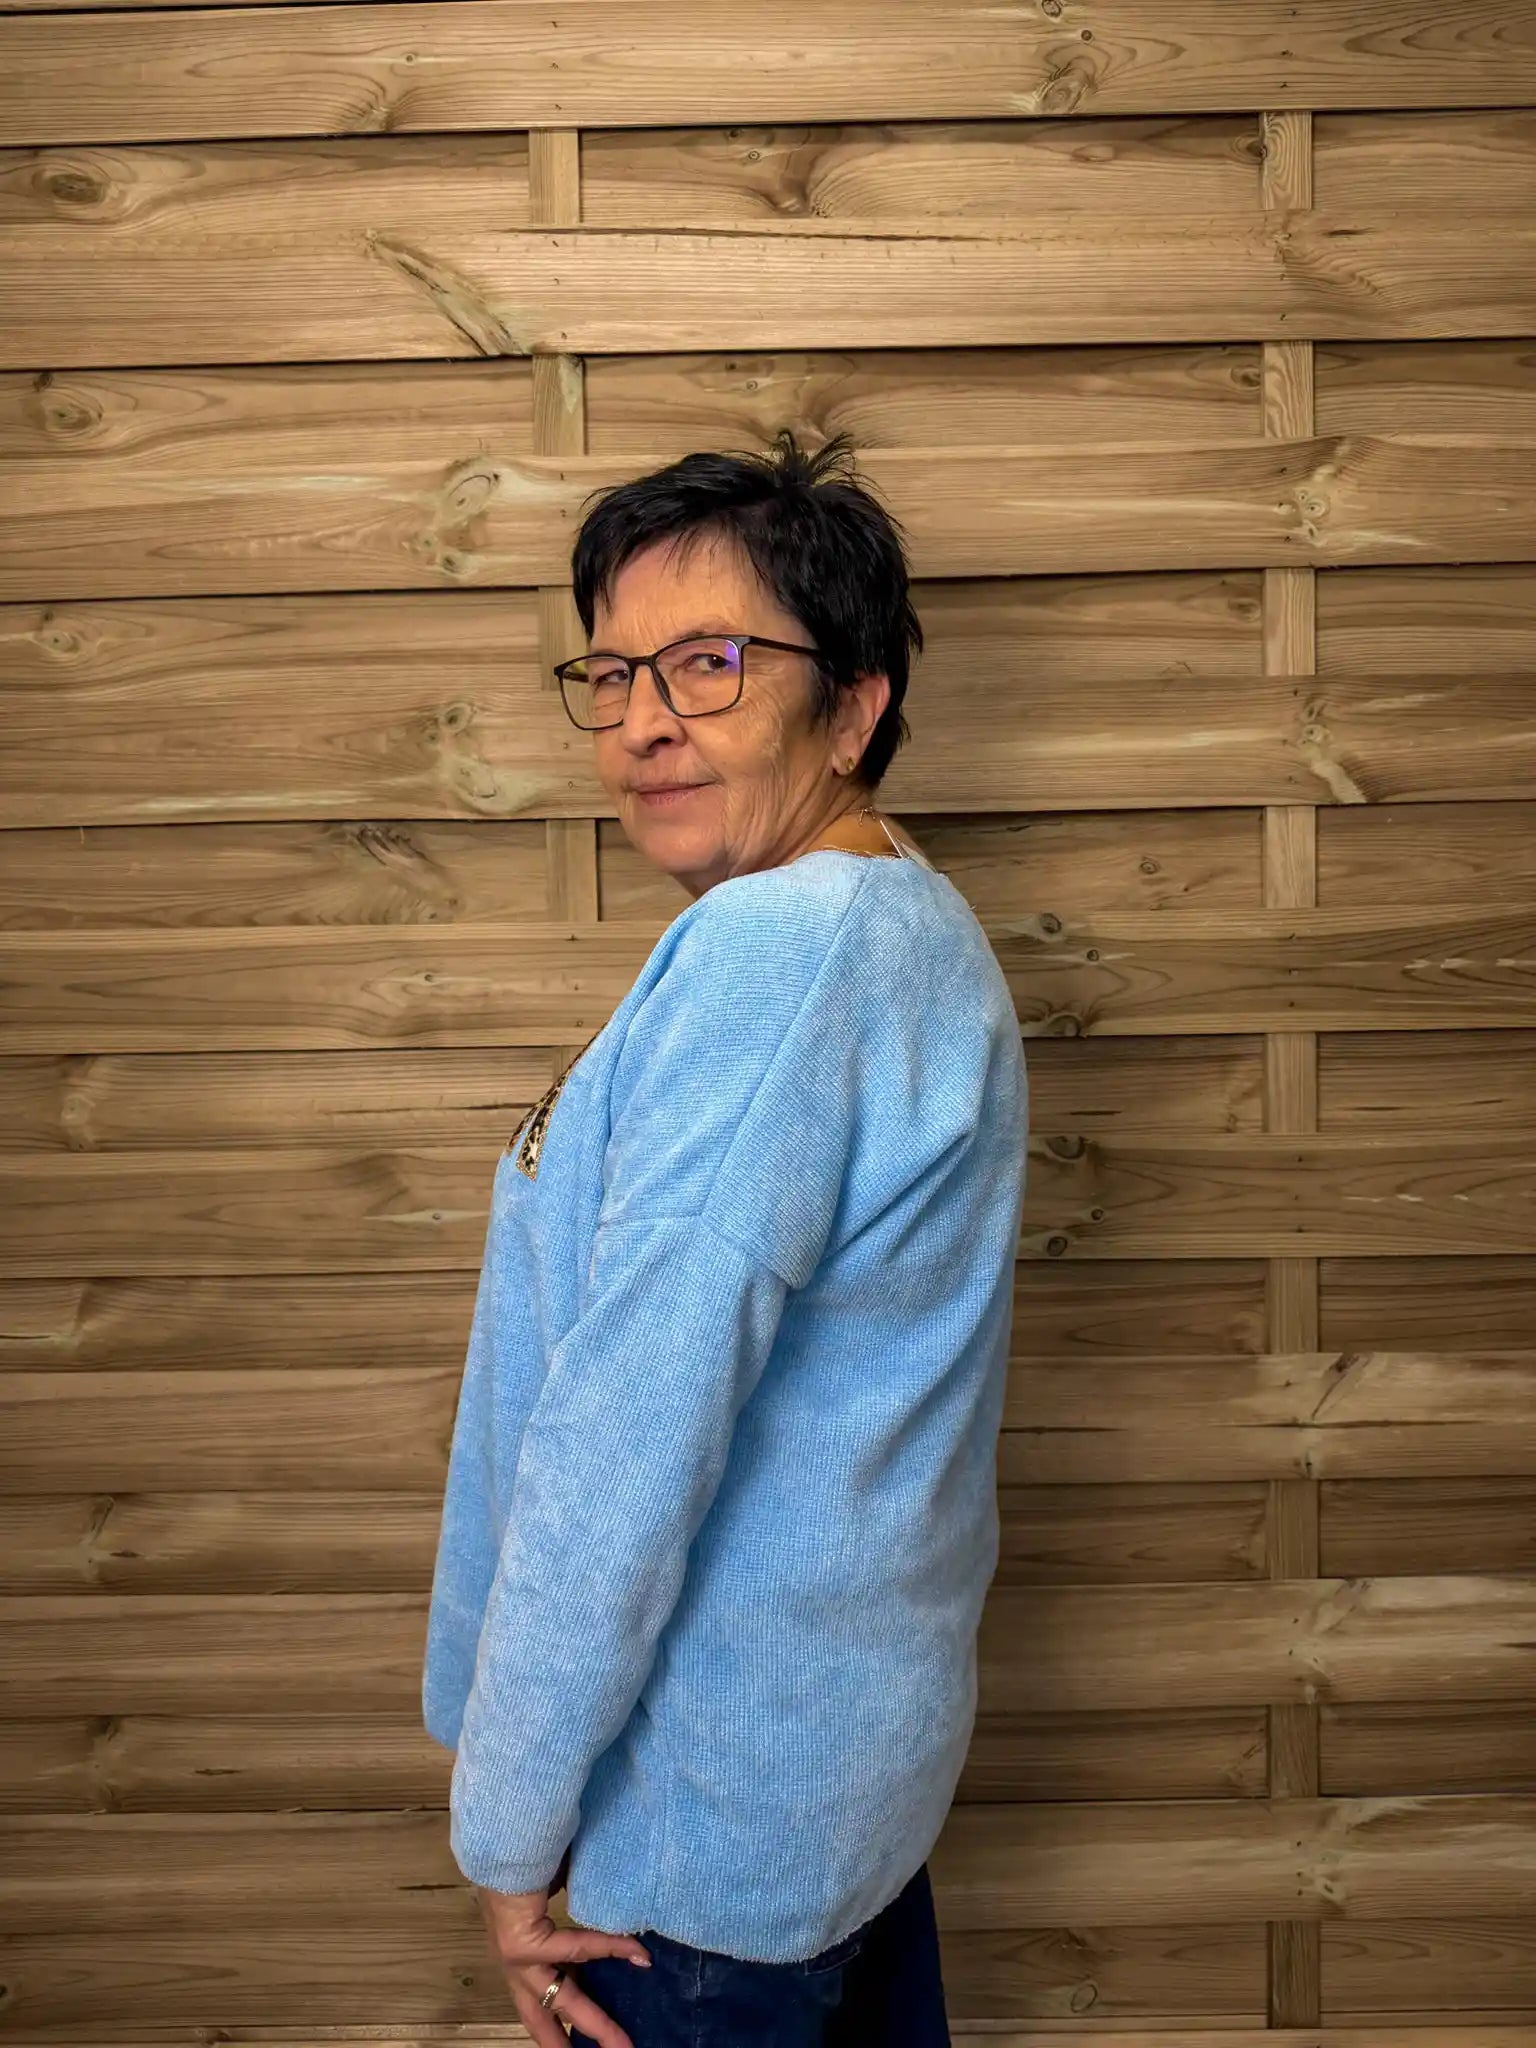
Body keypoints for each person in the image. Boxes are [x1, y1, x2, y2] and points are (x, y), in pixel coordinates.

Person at [422, 427, 1029, 2046]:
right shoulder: (898, 917)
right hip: (828, 1778)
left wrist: (511, 1831)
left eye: (709, 664)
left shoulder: (784, 956)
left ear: (855, 704)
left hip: (701, 1834)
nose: (644, 722)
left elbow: (628, 1438)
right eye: (613, 673)